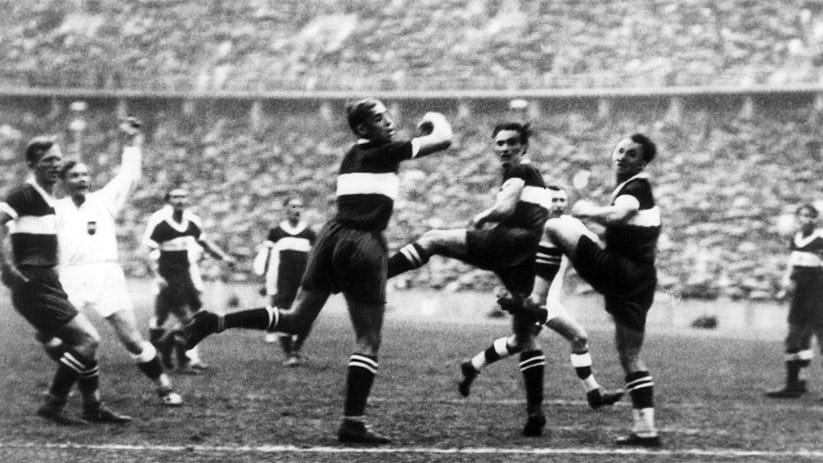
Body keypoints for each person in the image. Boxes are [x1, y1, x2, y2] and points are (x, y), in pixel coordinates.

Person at [184, 98, 453, 444]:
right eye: (380, 118)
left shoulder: (353, 155)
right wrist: (434, 117)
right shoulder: (382, 151)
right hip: (362, 241)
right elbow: (444, 139)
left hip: (331, 236)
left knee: (296, 318)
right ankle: (352, 422)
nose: (389, 122)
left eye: (388, 117)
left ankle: (216, 321)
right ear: (361, 129)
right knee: (368, 339)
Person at [387, 122, 552, 436]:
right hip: (526, 255)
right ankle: (535, 413)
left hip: (509, 242)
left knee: (434, 239)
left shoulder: (519, 171)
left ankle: (375, 274)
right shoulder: (538, 178)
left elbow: (506, 207)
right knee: (525, 336)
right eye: (500, 143)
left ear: (523, 146)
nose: (505, 148)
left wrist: (486, 215)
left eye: (511, 143)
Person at [41, 118, 182, 407]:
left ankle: (164, 386)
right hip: (69, 278)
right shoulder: (54, 210)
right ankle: (74, 375)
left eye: (86, 174)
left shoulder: (104, 200)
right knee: (49, 335)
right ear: (64, 181)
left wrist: (132, 143)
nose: (83, 179)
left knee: (131, 339)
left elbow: (130, 175)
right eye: (76, 175)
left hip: (107, 274)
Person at [539, 133, 662, 447]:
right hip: (640, 280)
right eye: (619, 150)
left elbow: (622, 213)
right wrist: (589, 219)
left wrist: (585, 209)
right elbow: (622, 226)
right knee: (630, 355)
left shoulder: (636, 187)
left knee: (554, 226)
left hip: (621, 273)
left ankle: (536, 298)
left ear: (643, 162)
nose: (622, 156)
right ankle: (646, 430)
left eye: (631, 154)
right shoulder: (632, 187)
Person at [0, 136, 131, 425]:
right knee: (88, 339)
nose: (55, 165)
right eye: (48, 161)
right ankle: (53, 404)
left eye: (58, 160)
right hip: (33, 284)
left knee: (79, 343)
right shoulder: (25, 194)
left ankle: (92, 406)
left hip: (47, 281)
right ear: (32, 165)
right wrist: (5, 267)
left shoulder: (49, 201)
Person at [459, 185, 623, 412]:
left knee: (520, 341)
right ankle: (592, 393)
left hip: (551, 299)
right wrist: (503, 286)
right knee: (576, 338)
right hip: (535, 299)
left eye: (562, 199)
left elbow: (593, 246)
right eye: (553, 199)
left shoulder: (571, 224)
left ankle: (473, 365)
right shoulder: (530, 228)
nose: (558, 203)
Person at [143, 187, 235, 374]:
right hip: (169, 278)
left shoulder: (191, 223)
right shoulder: (162, 225)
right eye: (175, 196)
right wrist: (157, 276)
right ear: (168, 200)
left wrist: (224, 257)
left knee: (197, 317)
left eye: (183, 196)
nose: (180, 200)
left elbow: (205, 244)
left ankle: (166, 343)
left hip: (186, 276)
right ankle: (183, 362)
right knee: (187, 320)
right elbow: (145, 252)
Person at [766, 203, 823, 398]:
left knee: (820, 337)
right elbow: (792, 264)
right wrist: (785, 286)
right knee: (794, 338)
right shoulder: (796, 239)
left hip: (818, 293)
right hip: (800, 293)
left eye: (809, 216)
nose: (804, 219)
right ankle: (794, 384)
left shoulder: (820, 239)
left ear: (815, 219)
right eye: (801, 216)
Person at [254, 196, 317, 365]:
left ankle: (296, 348)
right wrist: (263, 279)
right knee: (283, 315)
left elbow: (317, 257)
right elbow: (266, 256)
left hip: (303, 282)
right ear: (286, 210)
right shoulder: (276, 232)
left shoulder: (309, 233)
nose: (297, 210)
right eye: (293, 207)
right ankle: (290, 353)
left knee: (308, 315)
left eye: (300, 207)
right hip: (283, 281)